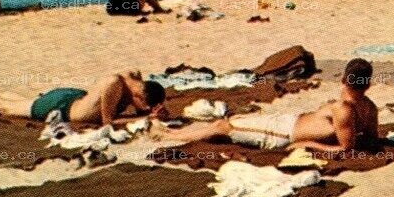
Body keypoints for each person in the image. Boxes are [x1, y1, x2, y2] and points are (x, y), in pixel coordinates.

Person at [161, 58, 378, 151]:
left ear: (343, 80)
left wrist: (306, 145)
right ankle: (173, 134)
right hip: (287, 122)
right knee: (232, 121)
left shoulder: (343, 109)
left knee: (224, 126)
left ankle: (170, 137)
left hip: (282, 135)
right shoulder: (370, 107)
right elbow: (370, 139)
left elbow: (345, 149)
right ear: (367, 84)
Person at [0, 70, 167, 125]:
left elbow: (139, 106)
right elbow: (107, 122)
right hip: (63, 106)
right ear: (139, 94)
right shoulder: (113, 84)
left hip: (75, 97)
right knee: (6, 109)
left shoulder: (134, 77)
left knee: (23, 102)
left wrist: (150, 111)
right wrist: (143, 119)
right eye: (143, 105)